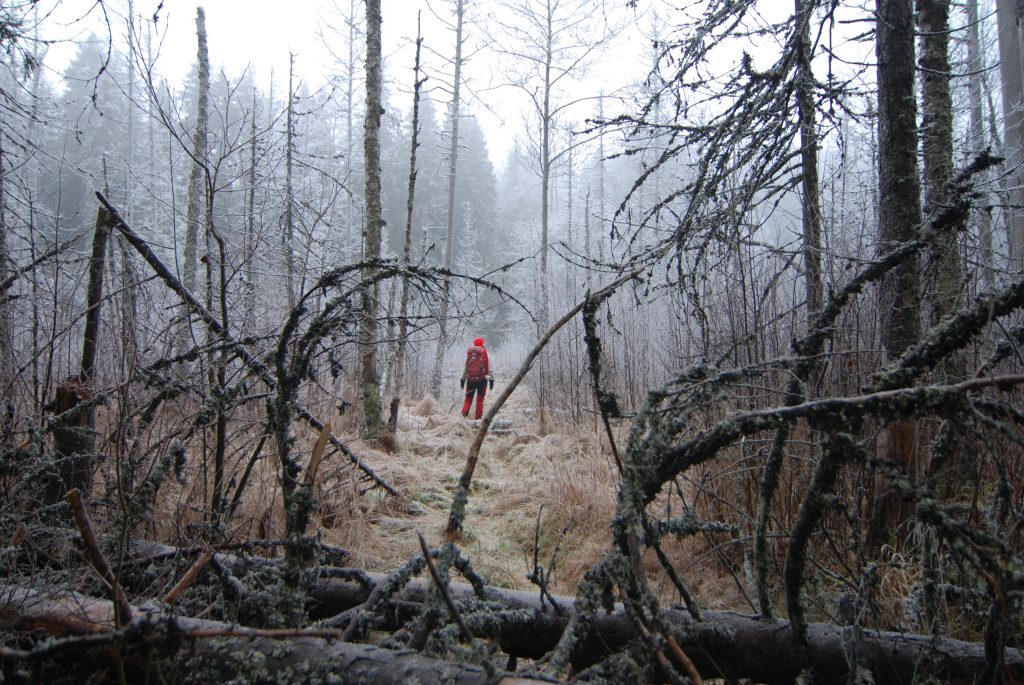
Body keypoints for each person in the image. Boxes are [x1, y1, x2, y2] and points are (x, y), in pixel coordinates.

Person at [460, 336, 493, 419]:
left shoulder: (471, 354)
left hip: (470, 380)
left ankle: (463, 416)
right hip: (482, 380)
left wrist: (463, 379)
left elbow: (466, 367)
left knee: (468, 399)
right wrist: (492, 379)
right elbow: (490, 368)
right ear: (482, 344)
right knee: (480, 400)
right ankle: (478, 420)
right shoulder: (485, 353)